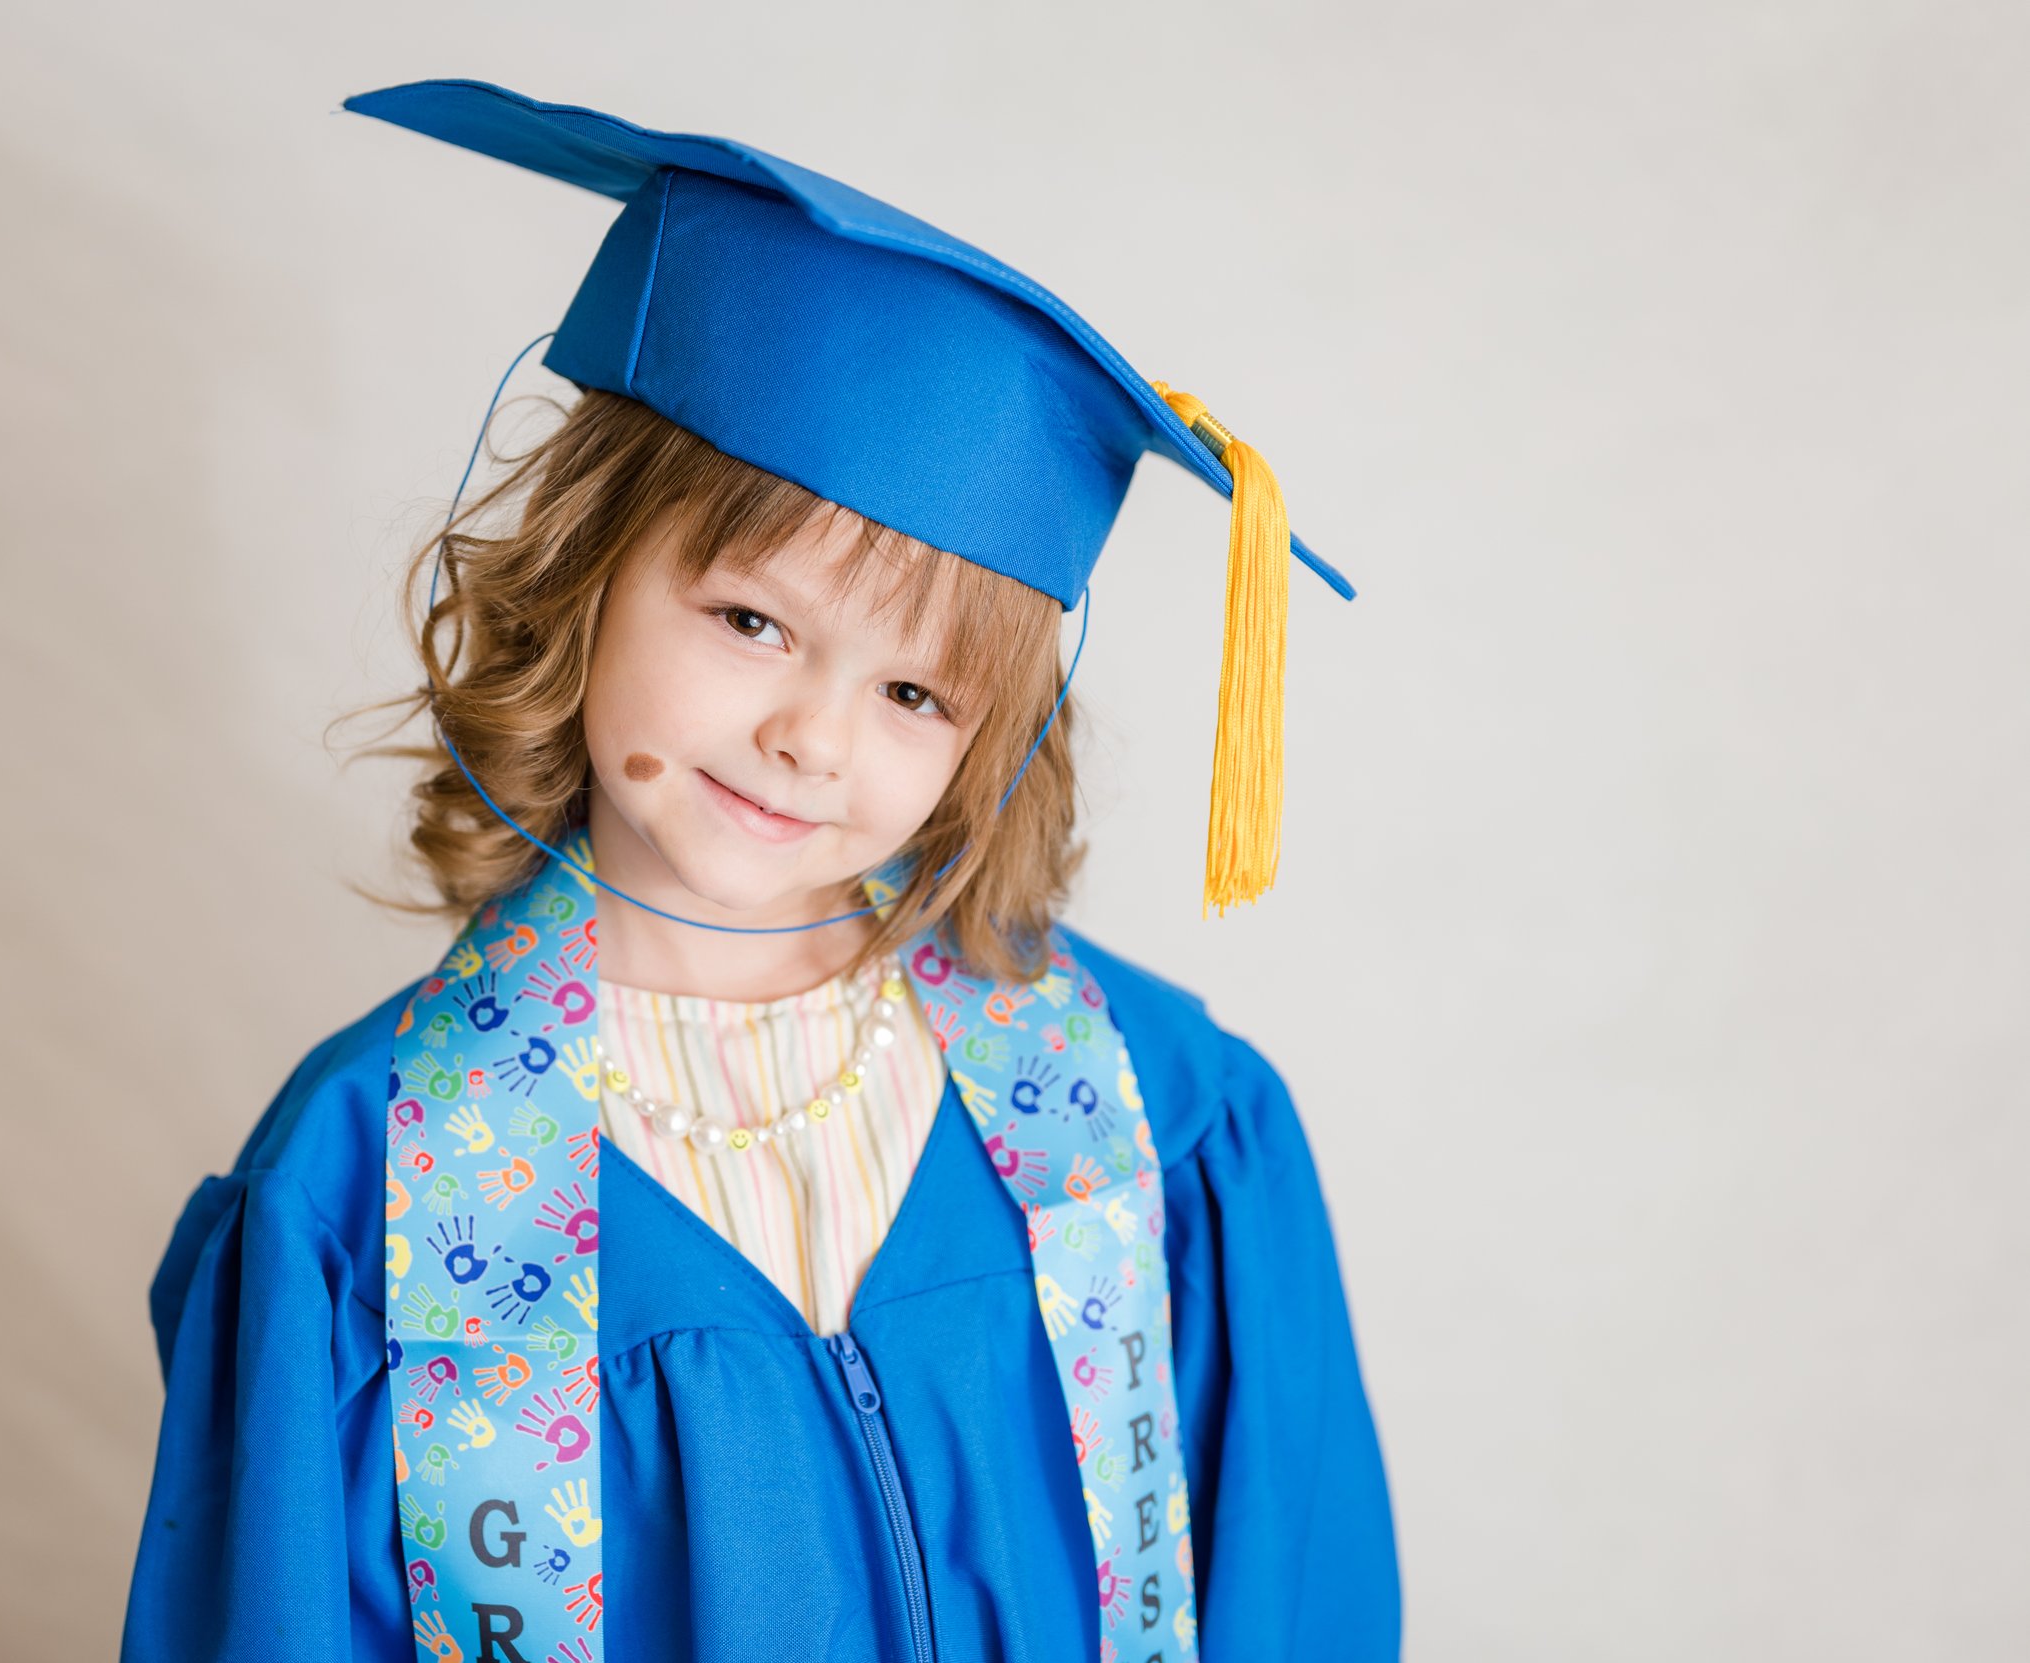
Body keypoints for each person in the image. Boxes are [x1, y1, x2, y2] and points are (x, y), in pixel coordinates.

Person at [120, 79, 1400, 1663]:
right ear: (587, 573)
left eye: (914, 693)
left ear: (991, 738)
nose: (810, 738)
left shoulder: (1159, 1113)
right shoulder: (364, 1183)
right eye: (751, 622)